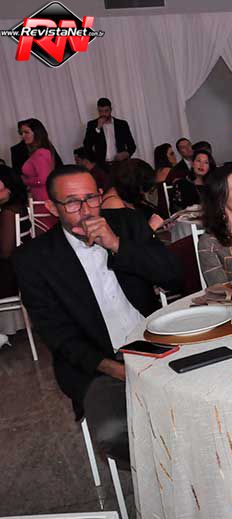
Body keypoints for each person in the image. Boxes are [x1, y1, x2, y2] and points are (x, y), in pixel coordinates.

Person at [12, 165, 182, 463]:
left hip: (152, 343)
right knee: (120, 435)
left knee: (208, 400)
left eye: (91, 198)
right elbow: (57, 335)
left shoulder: (127, 224)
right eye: (72, 202)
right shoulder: (33, 259)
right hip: (96, 363)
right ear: (51, 207)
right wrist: (116, 369)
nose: (86, 210)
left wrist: (116, 245)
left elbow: (174, 277)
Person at [102, 159, 164, 231]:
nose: (143, 193)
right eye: (143, 189)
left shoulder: (125, 197)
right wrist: (151, 228)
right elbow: (129, 236)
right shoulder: (113, 203)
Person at [20, 118, 57, 229]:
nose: (23, 136)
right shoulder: (40, 152)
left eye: (26, 132)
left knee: (44, 231)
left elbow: (43, 179)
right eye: (22, 133)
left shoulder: (40, 153)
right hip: (41, 198)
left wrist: (25, 180)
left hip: (42, 200)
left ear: (36, 133)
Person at [0, 166, 29, 298]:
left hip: (8, 275)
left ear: (8, 186)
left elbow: (6, 252)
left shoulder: (9, 213)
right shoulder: (17, 206)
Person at [82, 97, 137, 163]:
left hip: (120, 164)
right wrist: (98, 128)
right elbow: (87, 145)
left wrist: (126, 154)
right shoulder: (92, 125)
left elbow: (132, 146)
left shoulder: (122, 124)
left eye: (106, 111)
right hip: (101, 165)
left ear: (111, 110)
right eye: (100, 111)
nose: (103, 114)